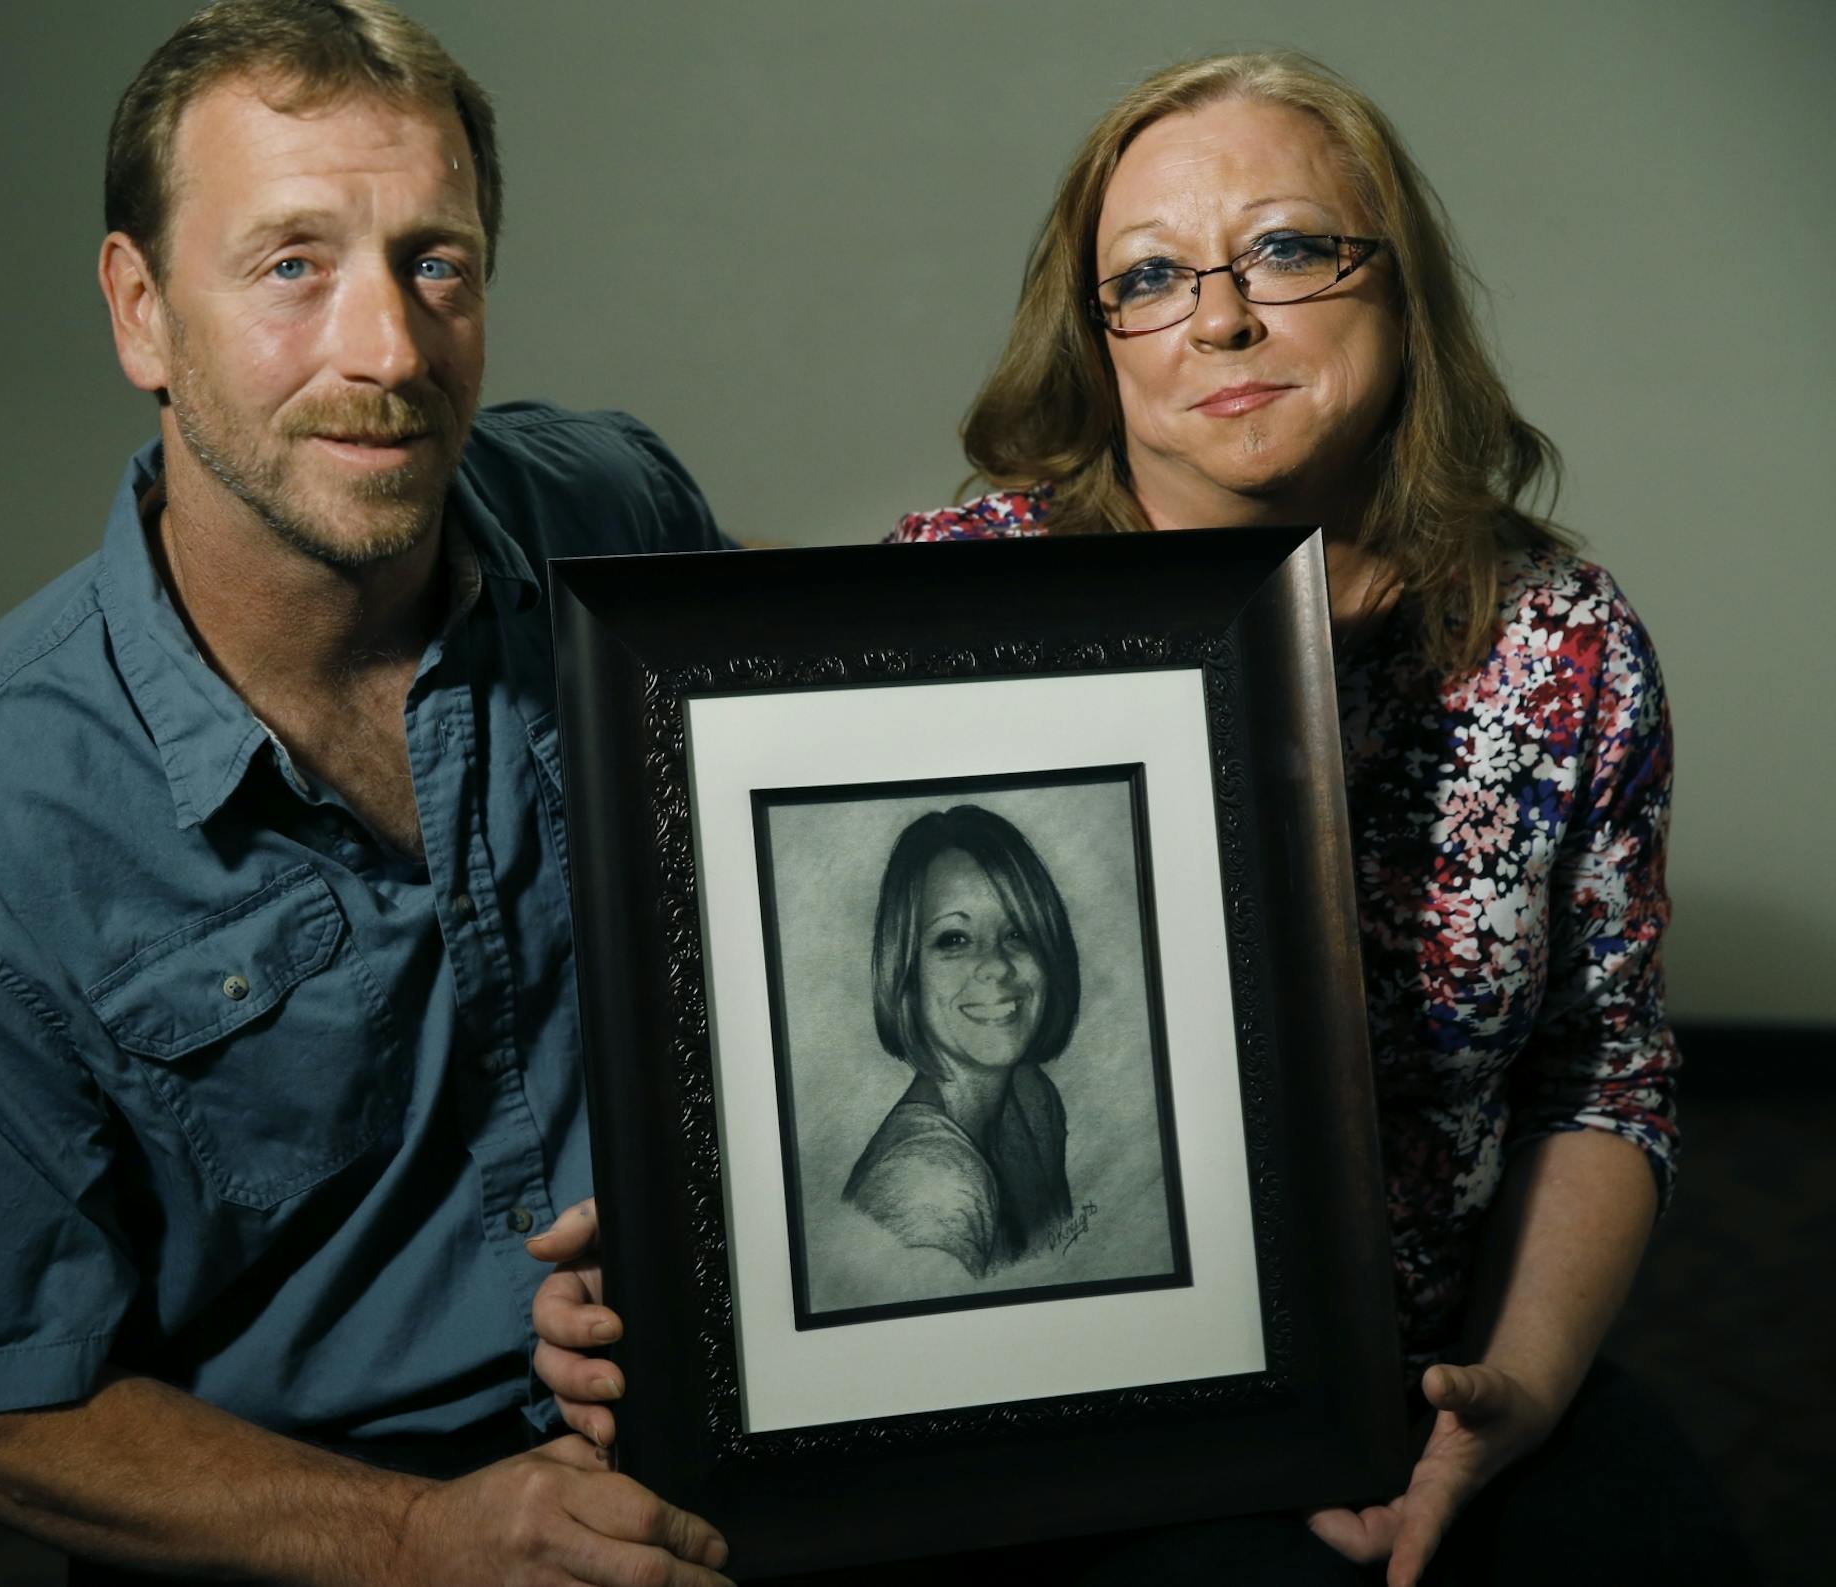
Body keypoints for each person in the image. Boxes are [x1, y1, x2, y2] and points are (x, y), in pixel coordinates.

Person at [536, 48, 1746, 1586]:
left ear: (1403, 284)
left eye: (1291, 250)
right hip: (1023, 1376)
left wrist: (1512, 1393)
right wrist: (682, 1249)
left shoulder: (1563, 643)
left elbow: (1602, 1068)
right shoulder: (950, 594)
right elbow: (781, 1033)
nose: (1221, 317)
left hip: (1425, 1359)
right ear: (1098, 335)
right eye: (1152, 276)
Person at [0, 3, 734, 1583]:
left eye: (433, 261)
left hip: (710, 1430)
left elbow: (797, 758)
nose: (386, 350)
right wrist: (411, 1536)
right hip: (335, 1520)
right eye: (292, 262)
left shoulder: (610, 509)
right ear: (141, 312)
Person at [843, 805, 1080, 1279]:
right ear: (905, 972)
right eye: (953, 939)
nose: (996, 965)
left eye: (1017, 932)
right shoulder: (926, 1186)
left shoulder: (1033, 1100)